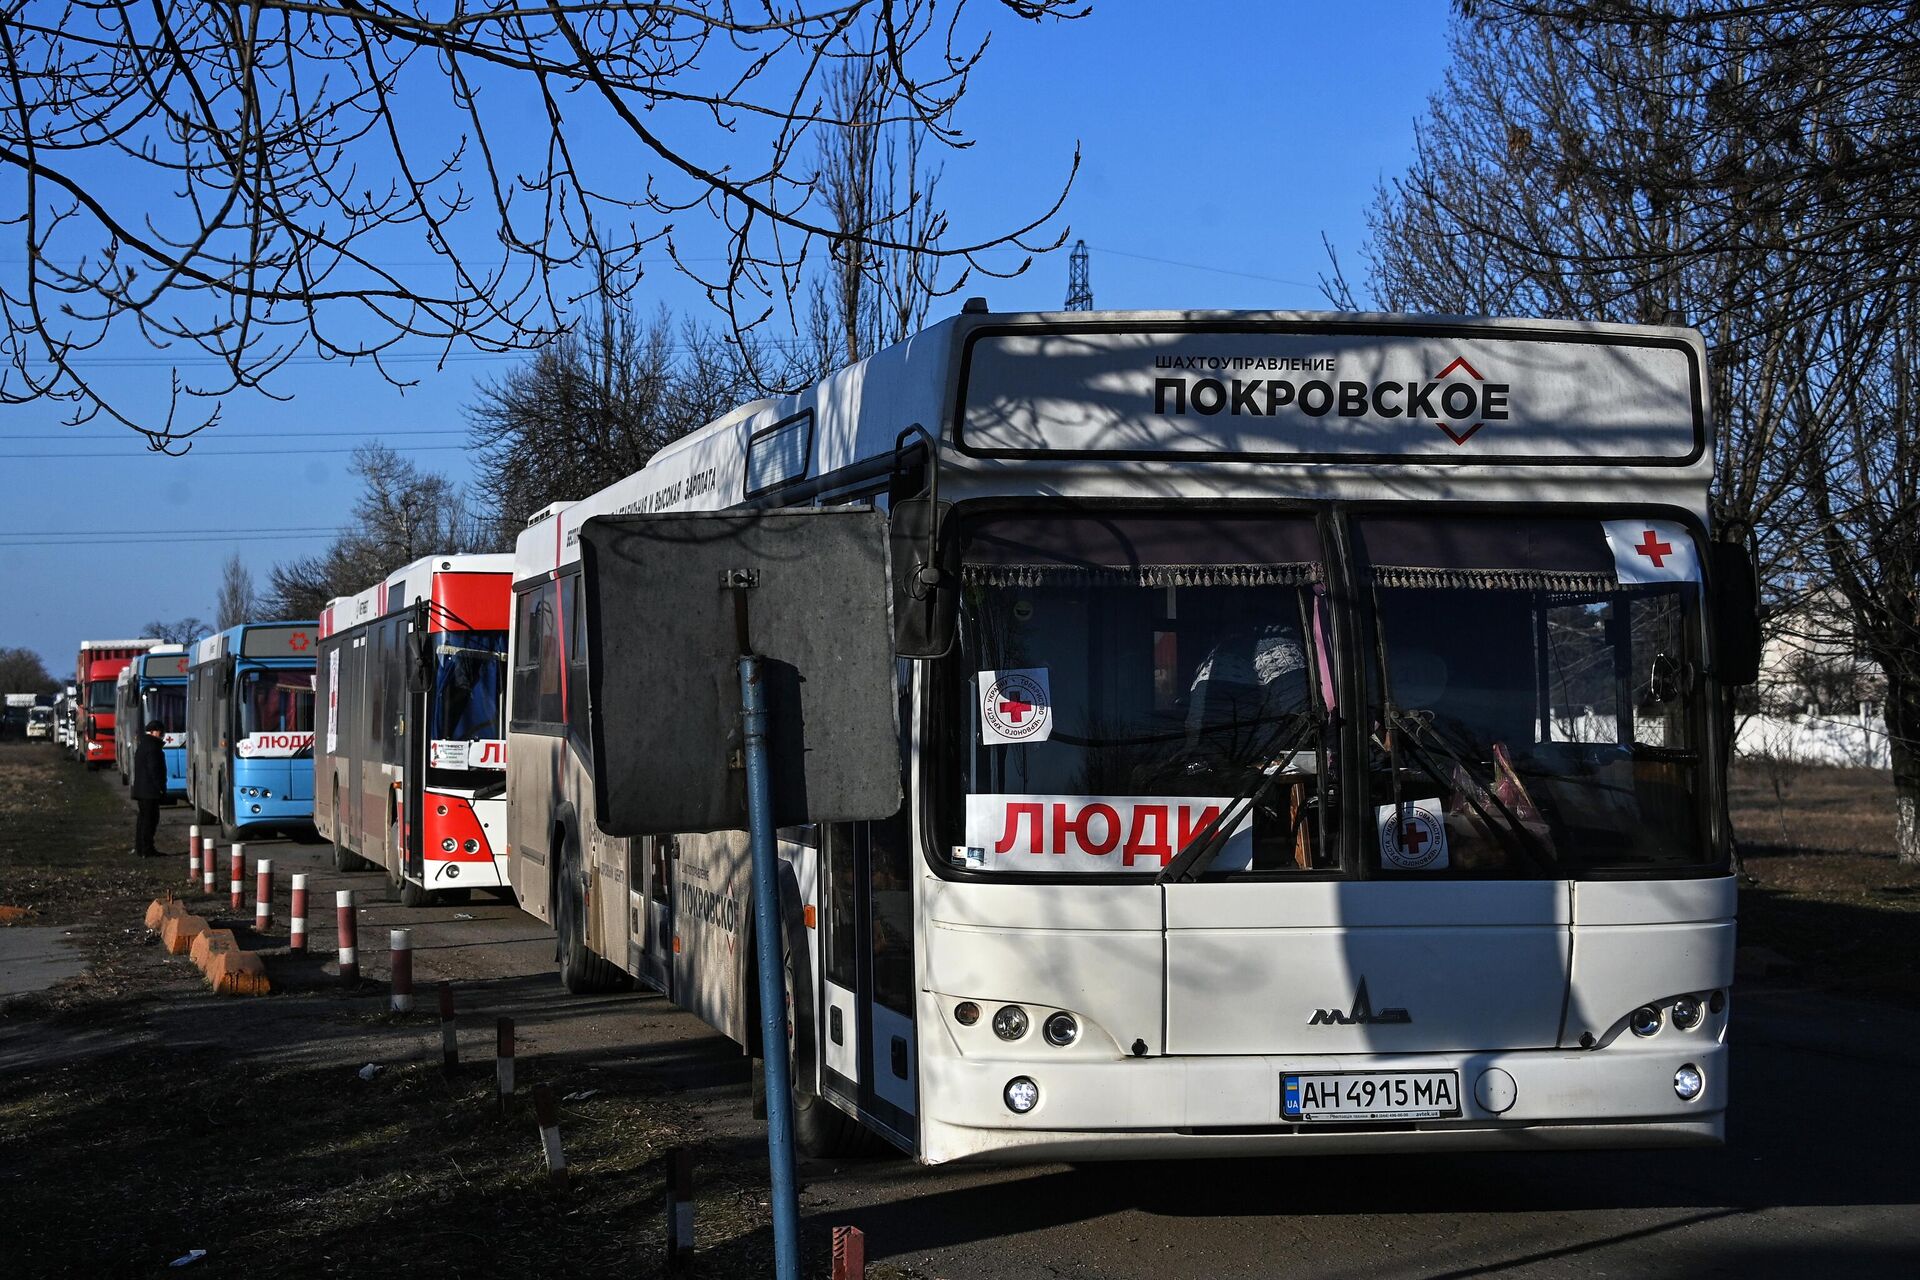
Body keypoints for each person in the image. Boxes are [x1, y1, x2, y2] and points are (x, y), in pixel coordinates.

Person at [131, 718, 168, 858]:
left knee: (142, 820)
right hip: (150, 791)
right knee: (150, 820)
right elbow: (155, 770)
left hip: (142, 790)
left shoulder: (143, 745)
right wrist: (160, 787)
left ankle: (141, 848)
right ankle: (147, 849)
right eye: (161, 732)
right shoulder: (153, 747)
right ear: (155, 732)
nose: (162, 735)